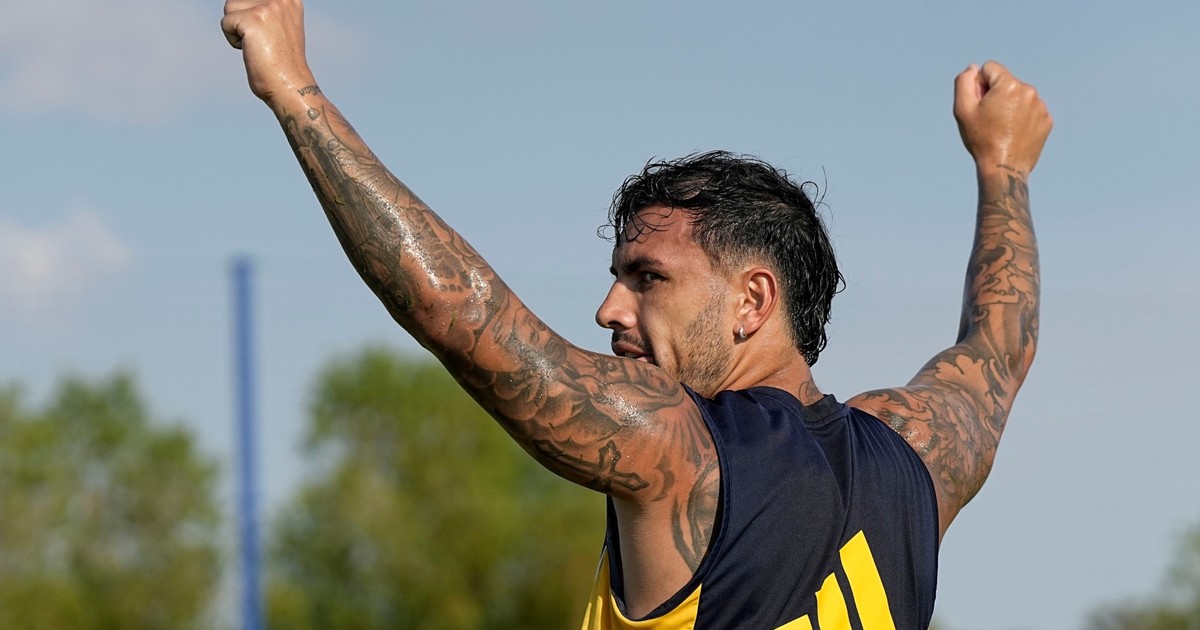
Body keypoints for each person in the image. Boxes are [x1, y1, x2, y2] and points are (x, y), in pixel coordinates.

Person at [222, 1, 1052, 627]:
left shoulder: (680, 444)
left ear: (753, 300)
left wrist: (292, 87)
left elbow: (459, 310)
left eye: (647, 278)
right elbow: (1000, 347)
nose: (609, 308)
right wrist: (1004, 167)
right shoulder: (917, 455)